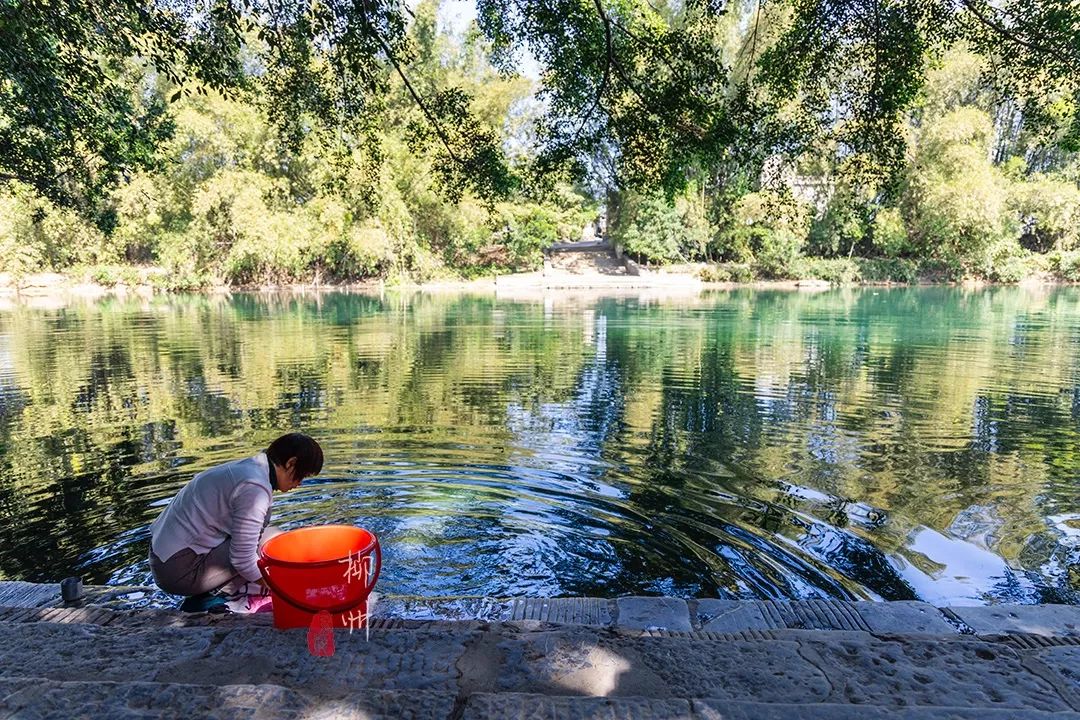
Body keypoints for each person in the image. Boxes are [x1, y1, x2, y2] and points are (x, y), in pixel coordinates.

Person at [148, 432, 324, 612]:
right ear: (291, 463)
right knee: (269, 546)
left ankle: (223, 586)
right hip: (179, 570)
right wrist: (282, 588)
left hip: (166, 557)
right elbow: (243, 559)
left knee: (273, 536)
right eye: (302, 476)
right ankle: (218, 594)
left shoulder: (250, 469)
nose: (300, 484)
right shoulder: (255, 488)